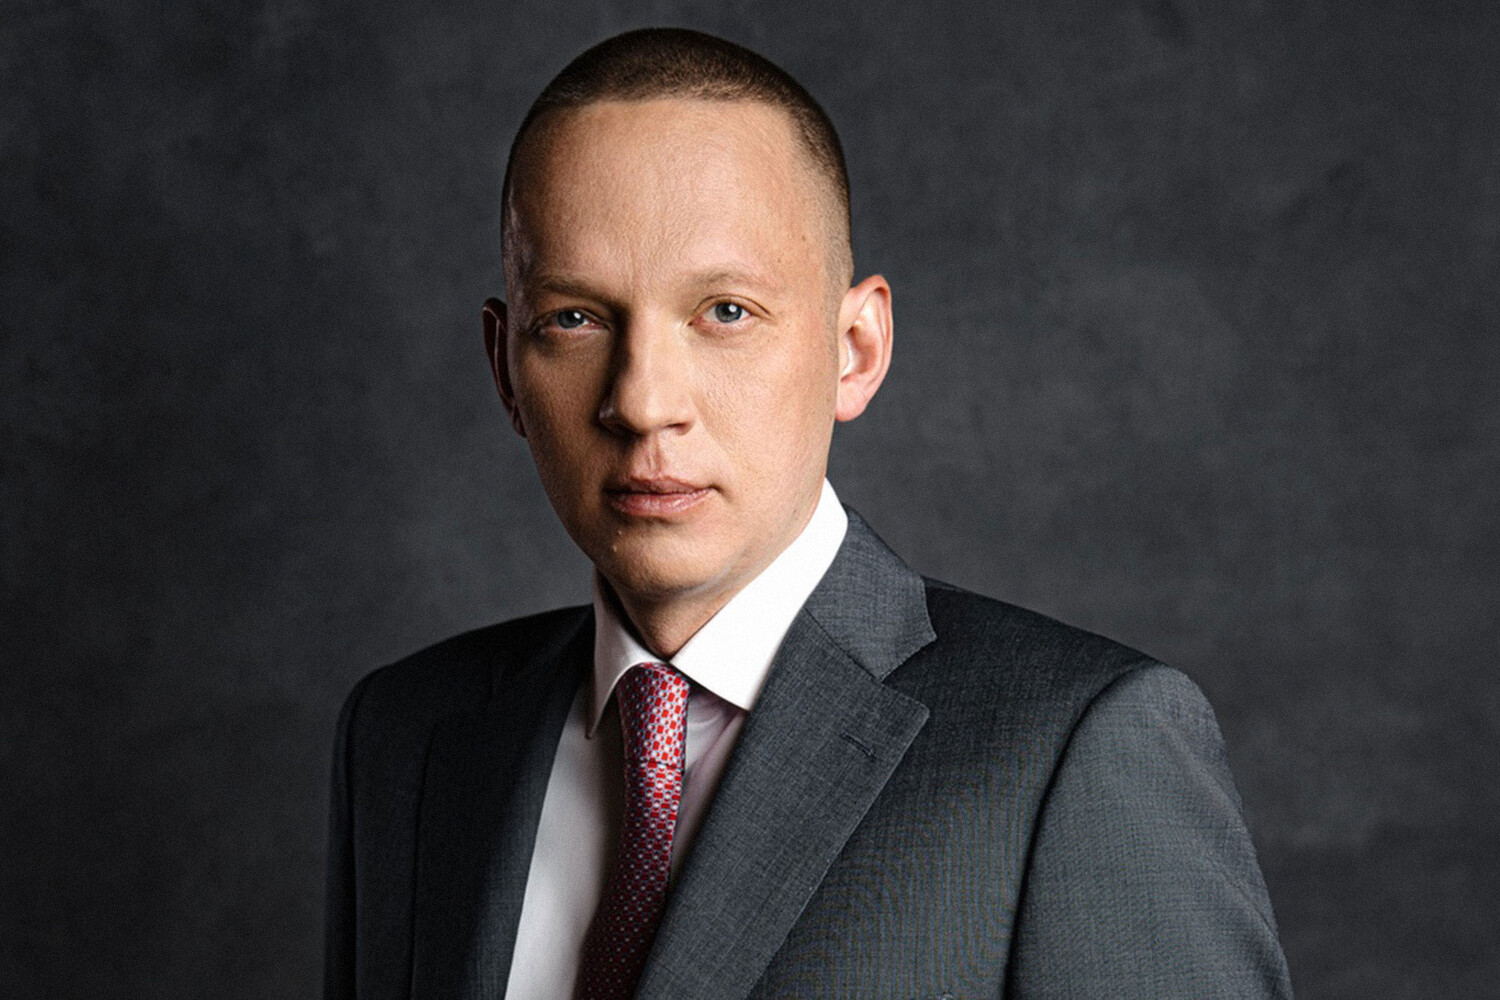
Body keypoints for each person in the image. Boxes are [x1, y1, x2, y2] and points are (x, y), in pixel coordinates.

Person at [323, 27, 1294, 1000]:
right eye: (574, 318)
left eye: (725, 312)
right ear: (504, 367)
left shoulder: (1077, 750)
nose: (644, 401)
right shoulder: (406, 736)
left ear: (855, 349)